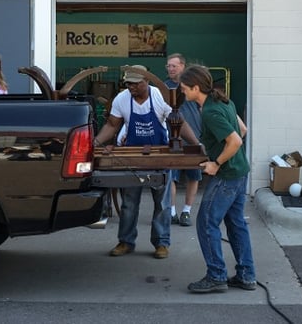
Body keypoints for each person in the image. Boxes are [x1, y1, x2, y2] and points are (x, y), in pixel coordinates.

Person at [94, 65, 199, 259]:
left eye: (136, 84)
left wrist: (195, 143)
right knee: (129, 203)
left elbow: (179, 122)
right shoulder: (122, 99)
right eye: (128, 84)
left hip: (158, 156)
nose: (131, 87)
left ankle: (161, 243)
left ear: (147, 82)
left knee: (162, 204)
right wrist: (95, 144)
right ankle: (126, 241)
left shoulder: (160, 97)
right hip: (133, 156)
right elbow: (111, 125)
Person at [179, 64, 256, 293]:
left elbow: (236, 141)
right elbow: (242, 129)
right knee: (236, 224)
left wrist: (217, 162)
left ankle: (216, 276)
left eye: (184, 88)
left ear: (195, 87)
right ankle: (246, 275)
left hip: (226, 176)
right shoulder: (224, 102)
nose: (182, 92)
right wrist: (218, 149)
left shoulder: (210, 111)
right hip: (240, 172)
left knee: (205, 222)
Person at [164, 53, 202, 227]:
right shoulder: (163, 88)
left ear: (183, 66)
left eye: (174, 66)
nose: (171, 69)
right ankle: (171, 212)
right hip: (172, 139)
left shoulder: (194, 87)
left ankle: (186, 211)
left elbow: (203, 108)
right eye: (168, 66)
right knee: (171, 176)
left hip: (194, 137)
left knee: (194, 176)